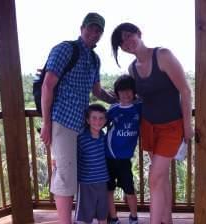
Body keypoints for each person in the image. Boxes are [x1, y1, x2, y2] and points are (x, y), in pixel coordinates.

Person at [111, 23, 193, 224]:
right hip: (148, 126)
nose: (127, 42)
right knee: (161, 178)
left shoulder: (163, 55)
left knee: (154, 178)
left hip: (172, 127)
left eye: (129, 36)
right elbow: (132, 98)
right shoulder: (132, 69)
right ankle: (167, 221)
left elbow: (185, 90)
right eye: (122, 42)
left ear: (139, 33)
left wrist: (187, 127)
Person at [40, 12, 115, 224]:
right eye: (91, 27)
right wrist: (46, 124)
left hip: (82, 124)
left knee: (77, 173)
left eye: (99, 30)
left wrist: (121, 100)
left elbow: (98, 91)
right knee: (64, 175)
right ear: (81, 28)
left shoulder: (94, 59)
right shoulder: (65, 49)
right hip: (62, 121)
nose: (94, 32)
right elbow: (47, 85)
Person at [106, 75, 141, 224]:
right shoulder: (113, 110)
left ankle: (134, 217)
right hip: (108, 156)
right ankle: (113, 218)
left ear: (134, 92)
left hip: (125, 159)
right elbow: (99, 124)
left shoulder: (140, 108)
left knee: (129, 190)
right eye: (121, 91)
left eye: (129, 91)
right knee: (109, 190)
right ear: (116, 93)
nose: (125, 94)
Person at [75, 104, 109, 224]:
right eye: (94, 118)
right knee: (84, 215)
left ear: (105, 120)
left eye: (101, 118)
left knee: (103, 212)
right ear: (88, 120)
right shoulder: (81, 138)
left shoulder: (103, 136)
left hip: (102, 181)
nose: (97, 121)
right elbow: (76, 159)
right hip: (86, 183)